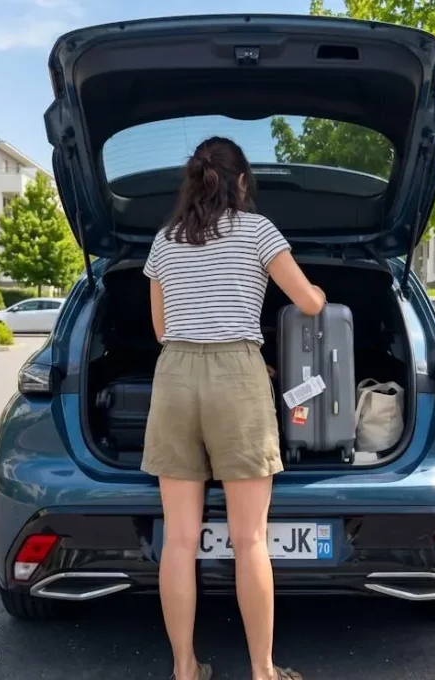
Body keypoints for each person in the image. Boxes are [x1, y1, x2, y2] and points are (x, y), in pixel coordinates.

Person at [142, 137, 325, 680]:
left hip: (174, 376)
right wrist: (312, 288)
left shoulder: (163, 240)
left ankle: (184, 668)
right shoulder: (257, 230)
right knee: (249, 539)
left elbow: (160, 329)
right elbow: (309, 303)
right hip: (237, 377)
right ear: (241, 181)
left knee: (178, 538)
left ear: (193, 182)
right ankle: (263, 672)